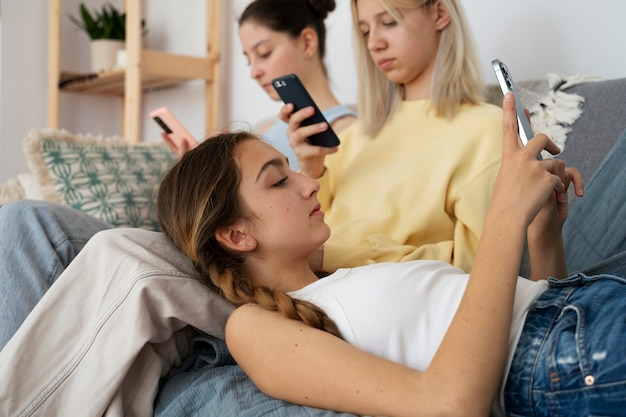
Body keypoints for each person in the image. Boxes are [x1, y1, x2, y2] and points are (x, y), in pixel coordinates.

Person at [154, 94, 626, 416]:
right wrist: (504, 216)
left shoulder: (340, 280)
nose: (310, 182)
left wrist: (543, 234)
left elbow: (539, 313)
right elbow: (447, 405)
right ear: (236, 236)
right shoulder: (252, 328)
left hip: (584, 316)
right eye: (279, 180)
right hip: (579, 353)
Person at [0, 0, 355, 350]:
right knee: (24, 224)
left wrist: (313, 167)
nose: (254, 71)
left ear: (307, 42)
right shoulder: (265, 128)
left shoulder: (348, 131)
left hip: (231, 260)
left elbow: (333, 222)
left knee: (29, 222)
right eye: (247, 59)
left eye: (263, 53)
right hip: (206, 242)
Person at [282, 0, 504, 274]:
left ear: (440, 14)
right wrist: (312, 170)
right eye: (365, 31)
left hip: (386, 299)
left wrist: (334, 258)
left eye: (388, 22)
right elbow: (316, 230)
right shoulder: (355, 135)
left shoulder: (486, 129)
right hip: (309, 285)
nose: (374, 43)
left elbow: (474, 266)